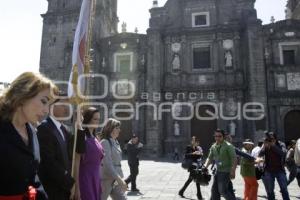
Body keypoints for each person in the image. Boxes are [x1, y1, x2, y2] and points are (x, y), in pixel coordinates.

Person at [0, 72, 57, 199]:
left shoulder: (32, 132)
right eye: (43, 101)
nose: (47, 110)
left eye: (49, 105)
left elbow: (32, 176)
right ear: (23, 96)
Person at [37, 92, 75, 200]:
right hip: (53, 191)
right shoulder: (44, 128)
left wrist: (80, 127)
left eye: (69, 106)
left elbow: (74, 154)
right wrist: (70, 183)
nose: (67, 109)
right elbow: (50, 162)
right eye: (64, 105)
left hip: (65, 190)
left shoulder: (65, 130)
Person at [74, 107, 104, 200]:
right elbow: (76, 163)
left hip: (96, 180)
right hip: (85, 179)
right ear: (87, 119)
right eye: (95, 119)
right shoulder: (82, 137)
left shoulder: (96, 138)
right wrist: (76, 188)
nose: (97, 121)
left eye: (99, 119)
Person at [203, 129, 236, 200]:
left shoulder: (229, 146)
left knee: (223, 191)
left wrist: (233, 171)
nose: (217, 138)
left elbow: (234, 159)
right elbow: (209, 158)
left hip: (225, 171)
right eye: (216, 136)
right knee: (214, 192)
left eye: (219, 136)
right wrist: (205, 166)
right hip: (217, 171)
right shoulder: (213, 146)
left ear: (223, 137)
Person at [100, 118, 127, 200]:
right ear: (110, 128)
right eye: (117, 128)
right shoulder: (105, 142)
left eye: (119, 128)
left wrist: (119, 178)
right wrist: (118, 179)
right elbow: (108, 163)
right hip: (107, 179)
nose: (120, 130)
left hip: (116, 178)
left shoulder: (115, 142)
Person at [259, 131, 290, 200]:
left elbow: (283, 153)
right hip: (268, 171)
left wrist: (273, 146)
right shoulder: (266, 144)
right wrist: (264, 146)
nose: (271, 140)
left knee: (284, 189)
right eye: (270, 139)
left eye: (272, 139)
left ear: (276, 139)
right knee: (270, 191)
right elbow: (260, 154)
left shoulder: (281, 144)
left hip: (280, 170)